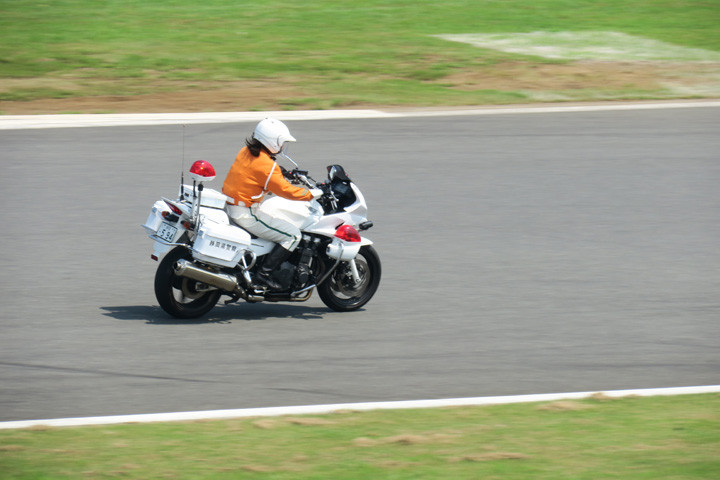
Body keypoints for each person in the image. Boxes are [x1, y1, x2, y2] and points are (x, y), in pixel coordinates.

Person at [223, 118, 321, 290]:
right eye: (282, 142)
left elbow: (256, 176)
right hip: (246, 213)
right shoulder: (268, 167)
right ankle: (262, 276)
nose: (283, 146)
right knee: (292, 235)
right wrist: (310, 194)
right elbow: (285, 191)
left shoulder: (245, 151)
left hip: (230, 206)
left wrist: (280, 172)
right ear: (272, 141)